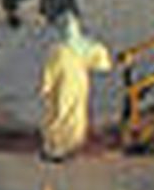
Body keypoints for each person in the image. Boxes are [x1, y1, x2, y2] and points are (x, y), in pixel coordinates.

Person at [38, 13, 112, 162]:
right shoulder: (84, 45)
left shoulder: (58, 50)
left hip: (63, 84)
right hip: (79, 83)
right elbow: (102, 60)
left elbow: (50, 71)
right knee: (75, 113)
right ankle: (71, 145)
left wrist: (46, 86)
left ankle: (57, 147)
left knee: (60, 113)